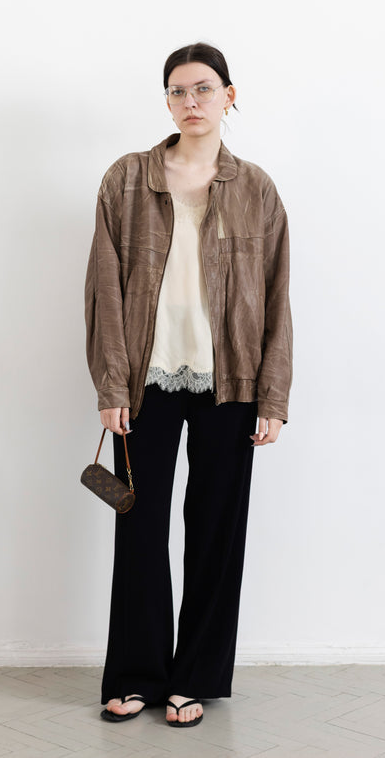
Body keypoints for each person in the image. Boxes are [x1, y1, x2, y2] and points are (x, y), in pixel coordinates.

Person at [84, 42, 292, 728]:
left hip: (230, 382)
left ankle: (194, 677)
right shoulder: (127, 179)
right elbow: (103, 289)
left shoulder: (255, 188)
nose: (190, 101)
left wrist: (273, 396)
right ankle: (136, 674)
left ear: (229, 95)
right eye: (177, 90)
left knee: (215, 531)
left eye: (203, 88)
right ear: (167, 101)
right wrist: (112, 383)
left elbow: (277, 295)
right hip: (145, 380)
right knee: (139, 528)